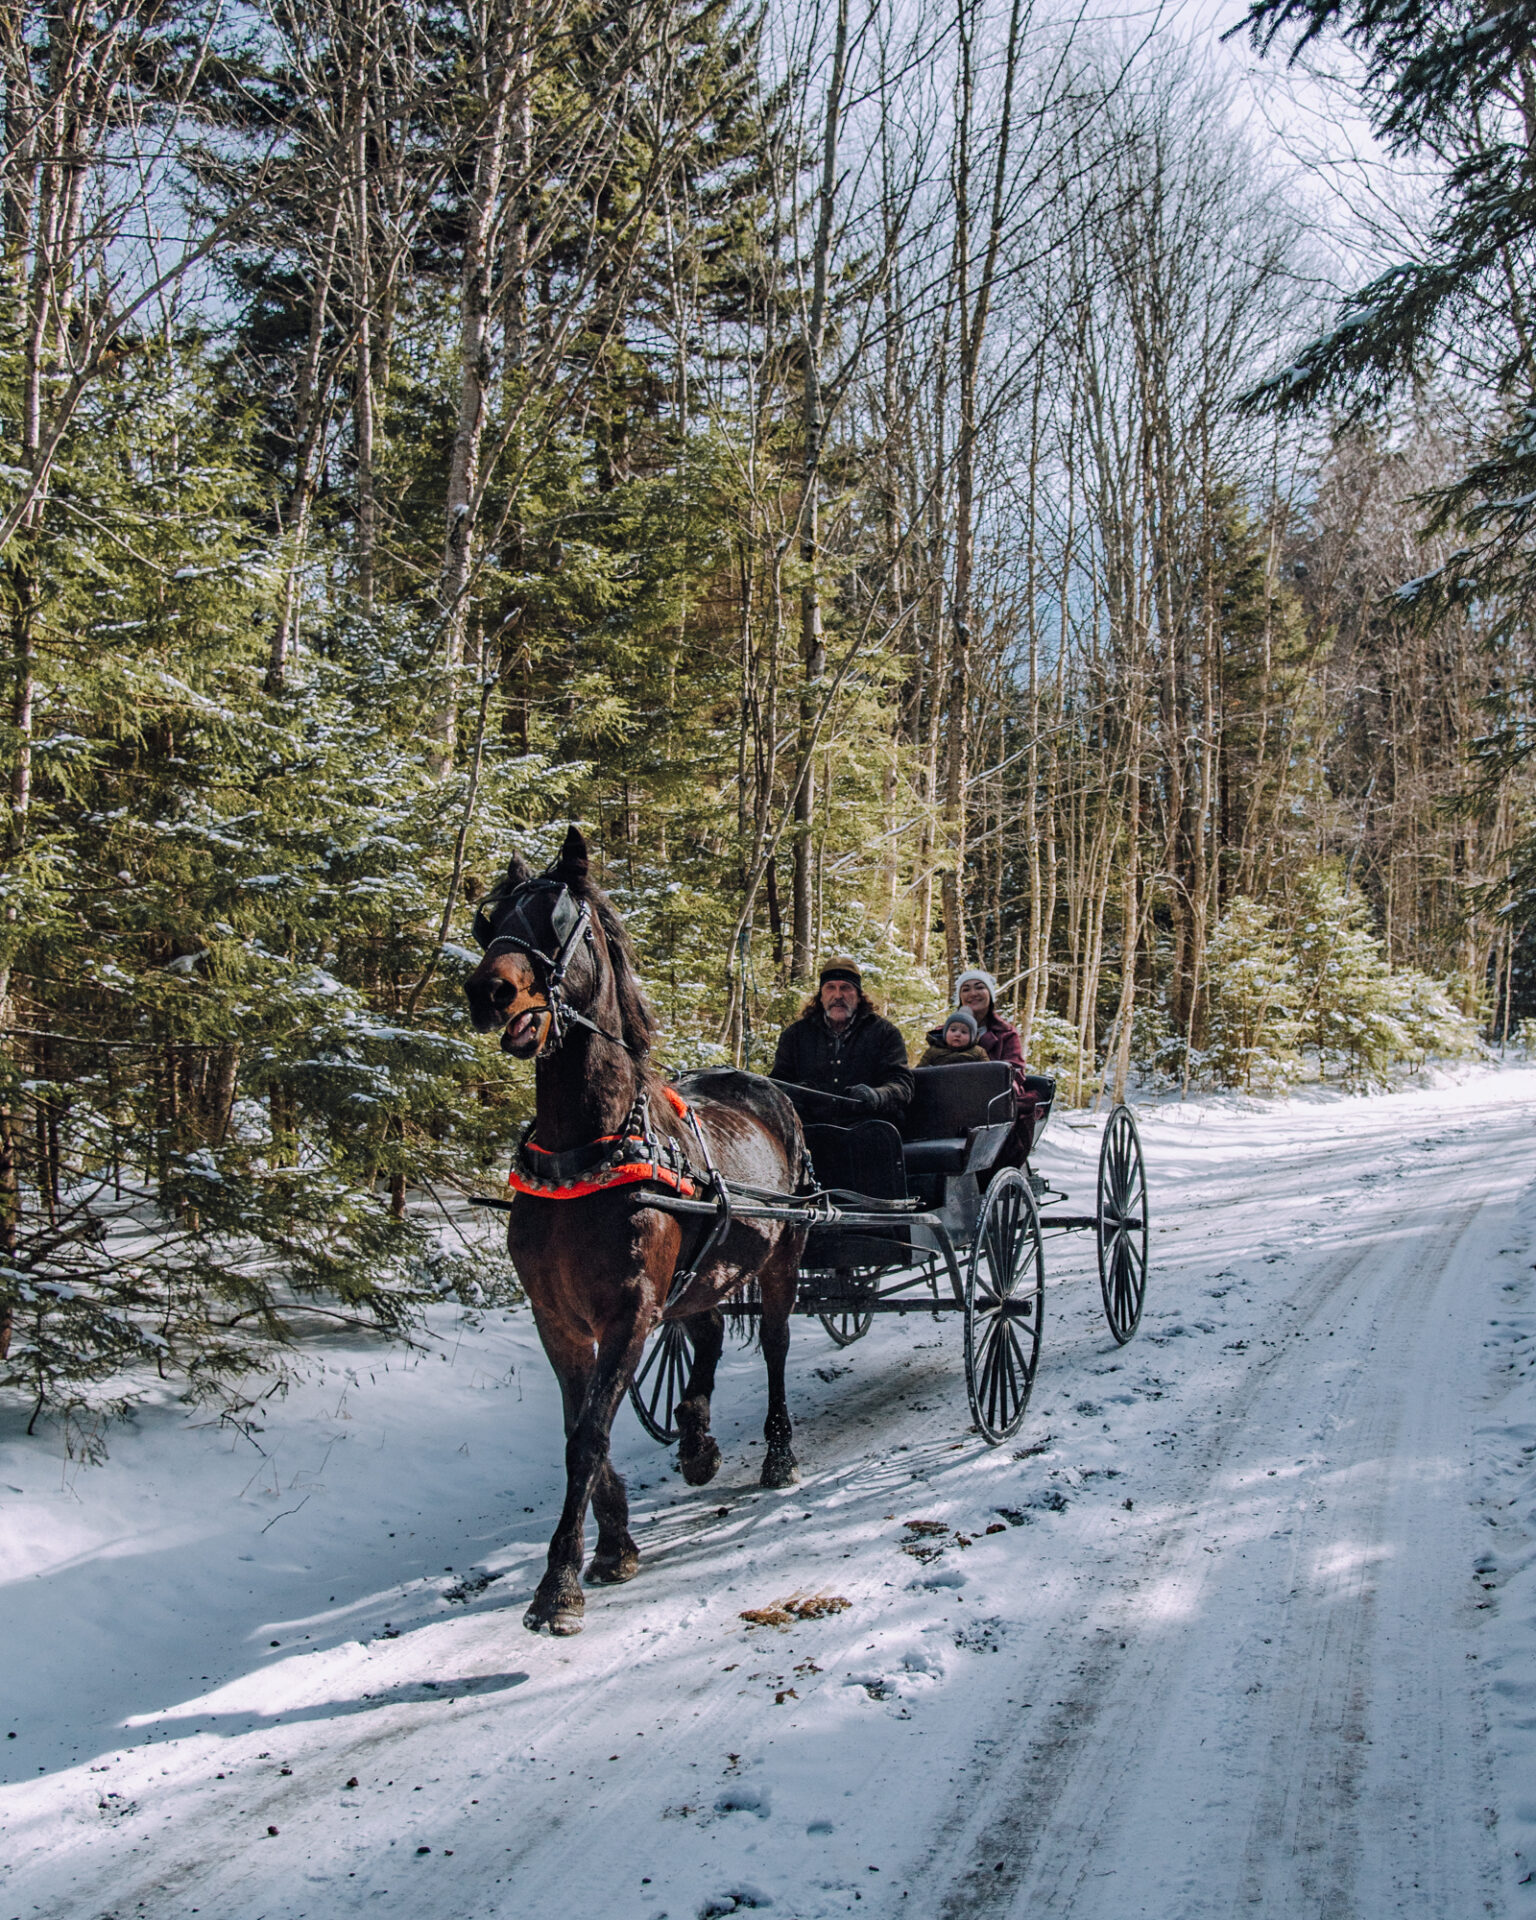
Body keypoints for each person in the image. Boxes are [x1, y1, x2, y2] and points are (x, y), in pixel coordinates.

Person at [770, 958, 914, 1119]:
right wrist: (795, 1093)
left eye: (846, 988)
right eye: (830, 988)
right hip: (810, 1129)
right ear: (821, 996)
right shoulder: (795, 1035)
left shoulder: (885, 1033)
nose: (838, 995)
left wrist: (876, 1096)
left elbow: (902, 1086)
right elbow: (776, 1085)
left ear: (859, 996)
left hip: (867, 1127)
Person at [955, 967, 1029, 1099]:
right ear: (960, 998)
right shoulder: (943, 1034)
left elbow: (1015, 1073)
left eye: (979, 987)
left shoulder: (1006, 1033)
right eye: (966, 989)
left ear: (990, 994)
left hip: (993, 1102)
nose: (973, 994)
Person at [915, 1006, 988, 1067]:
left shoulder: (978, 1052)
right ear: (945, 1033)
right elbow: (920, 1072)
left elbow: (989, 1072)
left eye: (964, 1032)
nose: (957, 1034)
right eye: (953, 1030)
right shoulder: (933, 1051)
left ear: (972, 1038)